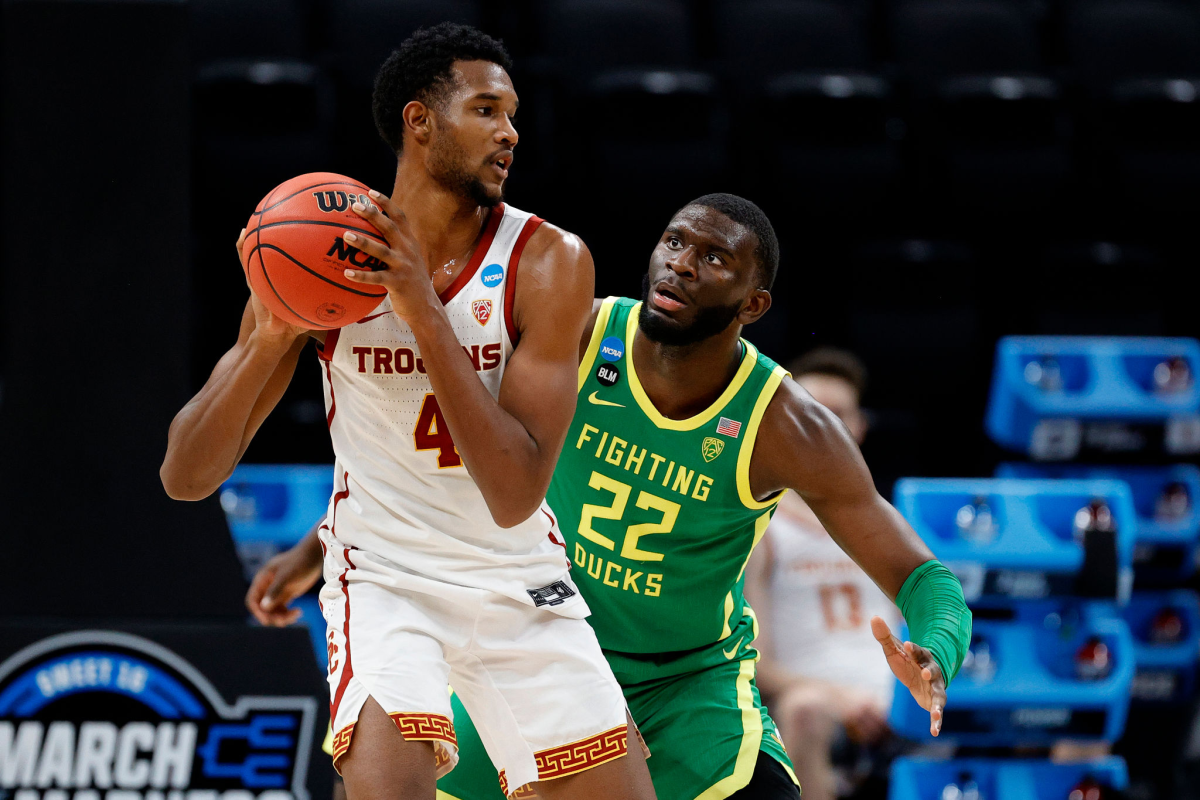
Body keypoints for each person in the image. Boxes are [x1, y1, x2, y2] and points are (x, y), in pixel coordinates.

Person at [251, 194, 973, 800]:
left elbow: (922, 577)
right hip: (539, 652)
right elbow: (443, 456)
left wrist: (936, 649)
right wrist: (317, 549)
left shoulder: (784, 422)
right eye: (674, 241)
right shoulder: (583, 332)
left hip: (687, 685)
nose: (682, 263)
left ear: (753, 303)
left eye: (712, 258)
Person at [162, 23, 656, 800]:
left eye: (514, 113)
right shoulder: (323, 253)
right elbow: (186, 476)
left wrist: (422, 309)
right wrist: (273, 334)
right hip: (387, 581)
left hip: (518, 575)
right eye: (487, 110)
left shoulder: (549, 261)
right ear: (419, 122)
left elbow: (515, 490)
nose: (510, 132)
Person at [743, 348, 899, 800]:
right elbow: (754, 660)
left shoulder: (894, 523)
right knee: (803, 710)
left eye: (839, 414)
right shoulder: (763, 529)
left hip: (896, 696)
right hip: (814, 699)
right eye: (813, 412)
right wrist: (839, 696)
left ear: (861, 426)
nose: (826, 426)